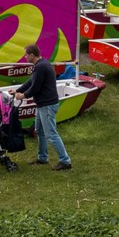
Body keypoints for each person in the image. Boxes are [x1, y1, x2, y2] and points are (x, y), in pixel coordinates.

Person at [15, 43, 71, 171]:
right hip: (43, 105)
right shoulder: (41, 64)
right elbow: (31, 82)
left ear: (32, 55)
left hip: (47, 105)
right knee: (40, 131)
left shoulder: (40, 67)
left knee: (51, 134)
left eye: (26, 55)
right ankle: (42, 158)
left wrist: (22, 96)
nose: (24, 57)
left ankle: (65, 161)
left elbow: (35, 88)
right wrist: (18, 90)